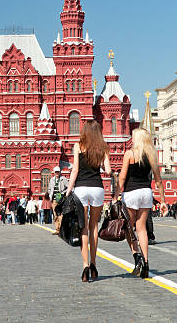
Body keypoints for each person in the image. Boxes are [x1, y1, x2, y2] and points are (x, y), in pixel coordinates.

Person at [116, 128, 167, 279]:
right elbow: (158, 181)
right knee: (142, 229)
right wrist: (163, 201)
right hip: (146, 193)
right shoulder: (152, 155)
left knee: (128, 228)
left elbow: (122, 177)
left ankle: (137, 256)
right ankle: (146, 261)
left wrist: (116, 196)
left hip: (131, 193)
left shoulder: (130, 154)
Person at [65, 119, 112, 282]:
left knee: (83, 228)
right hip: (97, 188)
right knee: (94, 227)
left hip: (81, 189)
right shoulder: (103, 148)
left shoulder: (78, 146)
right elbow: (108, 170)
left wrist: (68, 190)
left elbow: (75, 170)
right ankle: (93, 264)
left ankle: (85, 265)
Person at [48, 167, 68, 235]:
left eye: (58, 172)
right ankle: (57, 230)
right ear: (54, 172)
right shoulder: (52, 179)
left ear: (60, 172)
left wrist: (63, 193)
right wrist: (50, 195)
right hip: (54, 199)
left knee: (61, 214)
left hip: (61, 199)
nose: (57, 173)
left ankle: (62, 230)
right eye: (56, 172)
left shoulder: (63, 179)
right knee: (55, 214)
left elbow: (68, 187)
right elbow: (49, 189)